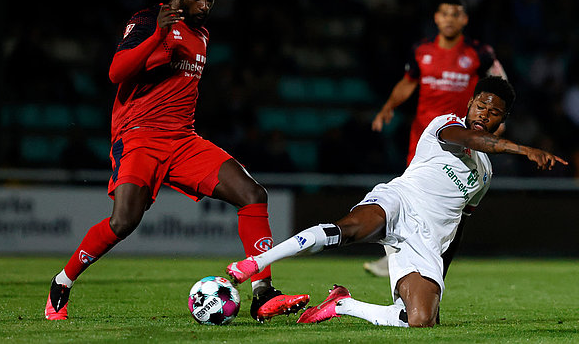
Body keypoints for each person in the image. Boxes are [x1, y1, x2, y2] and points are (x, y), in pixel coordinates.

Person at [44, 0, 309, 322]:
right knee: (123, 222)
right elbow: (115, 72)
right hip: (139, 136)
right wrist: (157, 34)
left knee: (252, 194)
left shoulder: (202, 34)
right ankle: (62, 281)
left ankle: (262, 293)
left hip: (183, 140)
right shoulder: (147, 20)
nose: (205, 6)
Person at [226, 77, 567, 327]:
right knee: (347, 230)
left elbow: (460, 223)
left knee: (419, 322)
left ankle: (342, 304)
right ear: (471, 102)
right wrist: (525, 150)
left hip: (425, 242)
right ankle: (253, 265)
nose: (484, 115)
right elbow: (476, 140)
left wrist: (439, 274)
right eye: (481, 105)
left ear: (502, 121)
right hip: (398, 202)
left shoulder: (485, 175)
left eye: (494, 113)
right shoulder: (445, 125)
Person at [366, 0, 507, 277]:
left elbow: (500, 85)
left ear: (465, 19)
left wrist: (498, 119)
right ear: (436, 18)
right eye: (445, 13)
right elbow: (408, 83)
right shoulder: (421, 50)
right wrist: (388, 108)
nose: (450, 19)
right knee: (412, 195)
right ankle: (403, 253)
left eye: (456, 14)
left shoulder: (479, 53)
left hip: (461, 142)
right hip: (424, 140)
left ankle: (412, 255)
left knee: (447, 205)